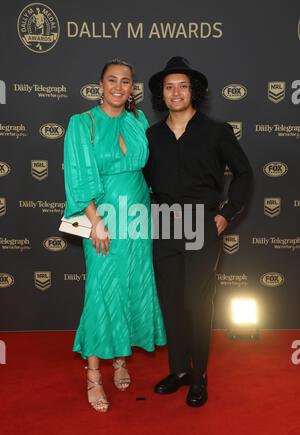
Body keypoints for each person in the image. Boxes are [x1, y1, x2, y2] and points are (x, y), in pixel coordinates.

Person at [144, 56, 253, 407]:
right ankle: (179, 370)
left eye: (183, 86)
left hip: (200, 222)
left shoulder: (216, 131)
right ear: (162, 94)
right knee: (172, 303)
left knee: (195, 301)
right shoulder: (152, 136)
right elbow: (139, 181)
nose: (176, 92)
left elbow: (244, 173)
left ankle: (200, 374)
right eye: (169, 86)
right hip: (162, 222)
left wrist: (227, 214)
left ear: (195, 91)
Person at [63, 59, 166, 412]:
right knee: (102, 292)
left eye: (126, 81)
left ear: (132, 87)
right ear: (100, 84)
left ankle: (121, 359)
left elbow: (146, 171)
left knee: (132, 287)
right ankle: (93, 375)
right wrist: (96, 221)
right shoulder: (83, 123)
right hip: (104, 217)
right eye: (112, 80)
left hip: (138, 218)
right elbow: (79, 175)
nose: (119, 87)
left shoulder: (137, 120)